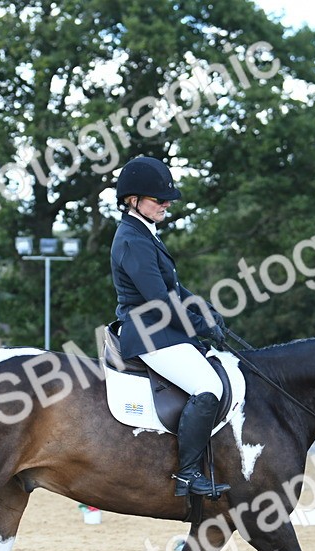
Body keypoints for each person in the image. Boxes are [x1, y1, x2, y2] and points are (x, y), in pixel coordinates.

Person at [110, 155, 229, 498]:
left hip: (161, 328)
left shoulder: (145, 232)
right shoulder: (132, 239)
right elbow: (158, 300)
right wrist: (197, 325)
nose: (166, 204)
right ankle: (188, 474)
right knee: (207, 386)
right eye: (158, 199)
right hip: (148, 332)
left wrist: (202, 309)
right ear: (133, 200)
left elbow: (174, 289)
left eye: (167, 199)